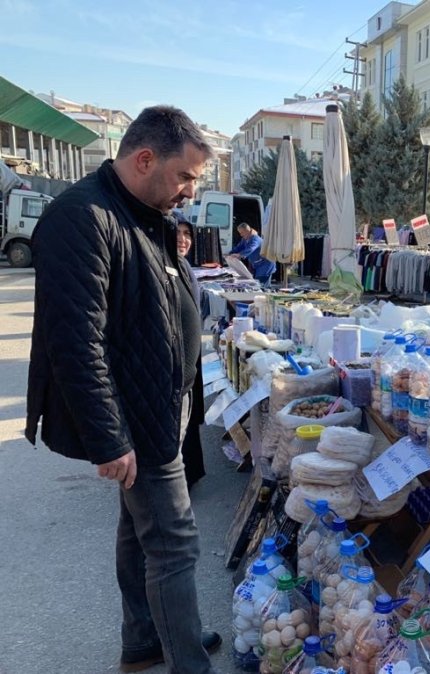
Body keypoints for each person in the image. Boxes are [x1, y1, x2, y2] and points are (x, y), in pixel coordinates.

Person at [26, 105, 222, 673]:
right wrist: (109, 439)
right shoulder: (81, 217)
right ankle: (188, 663)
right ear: (144, 159)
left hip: (162, 404)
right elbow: (74, 342)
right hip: (137, 415)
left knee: (141, 532)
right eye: (185, 176)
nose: (189, 191)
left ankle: (143, 640)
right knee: (175, 542)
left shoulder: (143, 212)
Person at [175, 215, 207, 490]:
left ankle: (190, 474)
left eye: (187, 234)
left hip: (188, 361)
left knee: (188, 421)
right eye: (177, 232)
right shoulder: (164, 267)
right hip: (174, 363)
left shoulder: (183, 265)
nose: (183, 239)